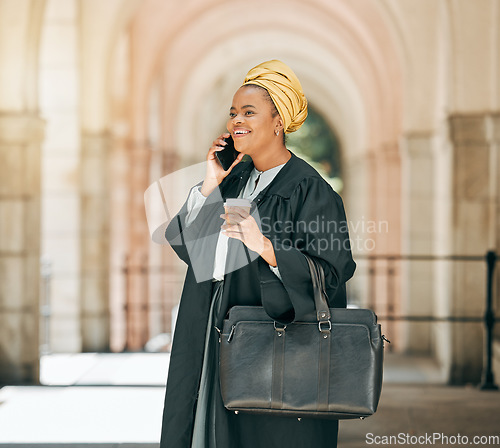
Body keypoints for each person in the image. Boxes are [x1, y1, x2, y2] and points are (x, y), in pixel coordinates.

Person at [160, 60, 356, 448]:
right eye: (233, 113)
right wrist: (209, 185)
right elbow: (189, 248)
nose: (236, 121)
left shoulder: (311, 191)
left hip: (269, 345)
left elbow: (332, 273)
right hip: (210, 330)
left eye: (249, 112)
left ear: (278, 121)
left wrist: (265, 246)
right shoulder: (231, 179)